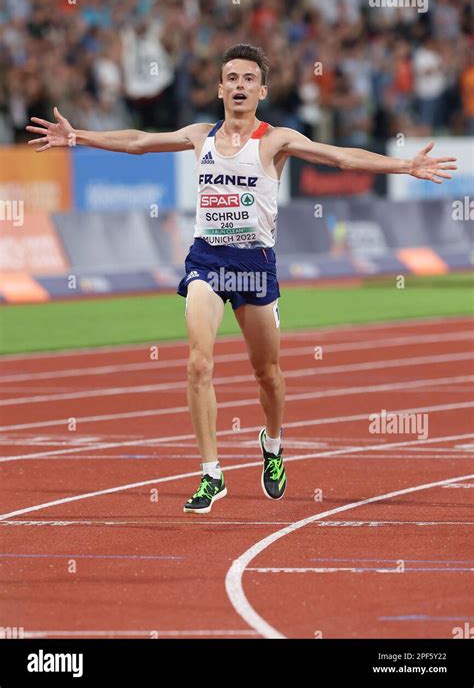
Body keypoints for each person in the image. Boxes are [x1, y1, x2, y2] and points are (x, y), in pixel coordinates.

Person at [26, 43, 457, 514]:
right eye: (231, 78)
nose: (239, 86)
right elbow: (138, 142)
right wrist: (78, 137)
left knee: (267, 374)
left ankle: (272, 443)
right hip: (207, 261)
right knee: (197, 363)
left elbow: (340, 158)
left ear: (262, 91)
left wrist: (404, 164)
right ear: (219, 88)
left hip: (255, 267)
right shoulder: (199, 136)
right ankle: (212, 473)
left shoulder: (276, 140)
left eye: (248, 79)